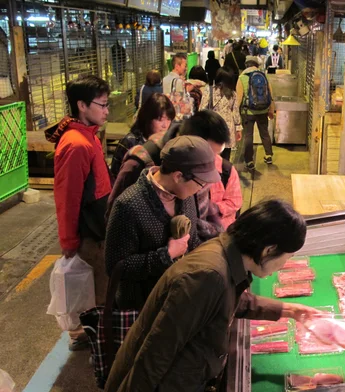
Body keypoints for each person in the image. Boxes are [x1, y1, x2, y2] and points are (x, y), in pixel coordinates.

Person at [104, 199, 320, 392]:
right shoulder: (207, 275)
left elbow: (228, 301)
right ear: (268, 249)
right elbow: (157, 350)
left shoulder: (226, 256)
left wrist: (288, 309)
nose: (285, 265)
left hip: (185, 386)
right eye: (286, 257)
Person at [105, 136, 220, 311]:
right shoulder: (128, 205)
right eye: (200, 183)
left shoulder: (186, 196)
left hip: (177, 301)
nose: (201, 188)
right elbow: (116, 268)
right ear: (178, 176)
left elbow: (193, 239)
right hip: (143, 310)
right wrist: (166, 255)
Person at [45, 75, 112, 351]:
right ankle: (96, 345)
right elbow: (67, 198)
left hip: (98, 226)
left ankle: (91, 336)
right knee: (97, 293)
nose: (107, 110)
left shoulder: (89, 136)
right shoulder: (76, 144)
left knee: (98, 289)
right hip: (89, 232)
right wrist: (69, 243)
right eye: (103, 104)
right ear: (82, 105)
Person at [186, 110, 242, 229]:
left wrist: (214, 208)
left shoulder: (226, 170)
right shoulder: (179, 171)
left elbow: (235, 202)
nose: (213, 160)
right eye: (208, 153)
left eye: (217, 153)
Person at [110, 93, 175, 178]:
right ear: (148, 118)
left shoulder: (168, 141)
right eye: (160, 120)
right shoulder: (130, 141)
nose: (165, 125)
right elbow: (116, 176)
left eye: (168, 119)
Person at [236, 56, 275, 171]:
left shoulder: (242, 77)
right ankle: (269, 156)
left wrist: (235, 113)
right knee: (264, 132)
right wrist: (271, 109)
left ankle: (249, 161)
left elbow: (239, 98)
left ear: (246, 65)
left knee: (248, 135)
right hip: (263, 110)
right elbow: (270, 94)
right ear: (256, 65)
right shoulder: (263, 75)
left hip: (248, 111)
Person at [200, 68, 242, 161]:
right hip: (228, 129)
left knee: (212, 156)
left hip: (213, 127)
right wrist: (238, 129)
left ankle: (215, 174)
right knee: (226, 158)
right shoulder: (233, 94)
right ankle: (225, 174)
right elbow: (235, 112)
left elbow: (202, 109)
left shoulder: (209, 90)